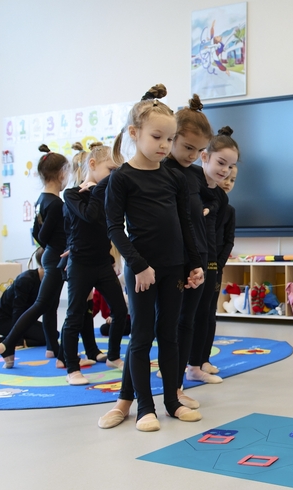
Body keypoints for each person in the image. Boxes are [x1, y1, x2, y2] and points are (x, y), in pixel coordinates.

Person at [99, 84, 204, 432]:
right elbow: (114, 229)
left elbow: (185, 224)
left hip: (174, 267)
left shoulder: (173, 177)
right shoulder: (122, 179)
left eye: (168, 139)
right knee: (142, 337)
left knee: (170, 334)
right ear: (135, 133)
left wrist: (194, 264)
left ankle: (172, 401)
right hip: (142, 270)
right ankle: (144, 407)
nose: (163, 145)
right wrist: (139, 266)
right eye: (157, 137)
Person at [160, 94, 220, 413]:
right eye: (187, 148)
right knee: (167, 327)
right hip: (174, 263)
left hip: (198, 260)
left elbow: (196, 214)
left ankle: (180, 384)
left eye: (199, 151)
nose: (192, 156)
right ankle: (169, 387)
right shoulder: (162, 172)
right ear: (173, 138)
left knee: (188, 323)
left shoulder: (195, 174)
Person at [0, 145, 70, 368]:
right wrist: (58, 249)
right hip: (55, 257)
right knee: (42, 304)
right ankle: (8, 343)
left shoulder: (42, 199)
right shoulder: (56, 203)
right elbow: (44, 234)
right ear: (61, 173)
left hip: (50, 255)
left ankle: (52, 348)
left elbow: (36, 233)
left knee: (49, 305)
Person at [60, 142, 128, 385]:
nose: (113, 177)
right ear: (92, 165)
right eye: (111, 170)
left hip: (102, 264)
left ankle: (112, 355)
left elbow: (108, 224)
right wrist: (98, 190)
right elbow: (90, 215)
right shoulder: (70, 194)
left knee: (120, 311)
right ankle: (72, 368)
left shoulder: (104, 194)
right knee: (75, 315)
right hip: (80, 264)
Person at [188, 127, 238, 387]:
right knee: (185, 317)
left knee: (206, 313)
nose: (225, 172)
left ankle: (196, 363)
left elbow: (222, 238)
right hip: (189, 261)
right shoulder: (188, 180)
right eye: (221, 163)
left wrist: (215, 264)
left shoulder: (220, 198)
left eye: (230, 167)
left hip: (208, 262)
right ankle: (182, 364)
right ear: (204, 157)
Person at [0, 248, 46, 350]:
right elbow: (18, 310)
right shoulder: (25, 280)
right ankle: (4, 341)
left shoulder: (48, 282)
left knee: (53, 334)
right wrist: (18, 340)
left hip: (22, 318)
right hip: (2, 320)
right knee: (43, 338)